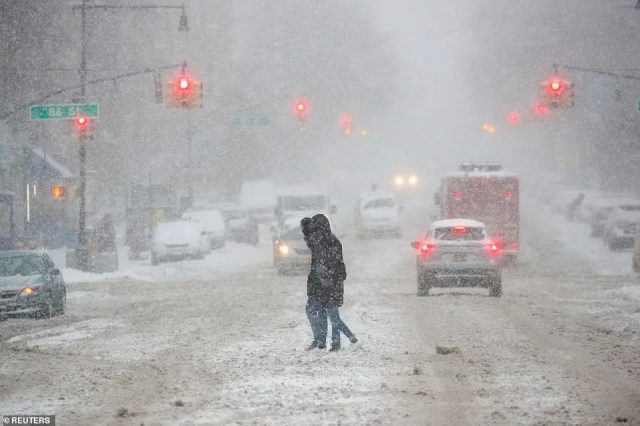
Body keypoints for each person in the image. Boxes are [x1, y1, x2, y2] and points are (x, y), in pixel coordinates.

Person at [307, 214, 357, 352]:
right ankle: (333, 343)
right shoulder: (321, 243)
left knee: (333, 316)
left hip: (332, 286)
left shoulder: (332, 243)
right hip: (324, 285)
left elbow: (336, 267)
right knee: (328, 314)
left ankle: (351, 338)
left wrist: (327, 280)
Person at [301, 217, 327, 350]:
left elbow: (322, 266)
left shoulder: (319, 243)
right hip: (317, 284)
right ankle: (320, 339)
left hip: (318, 285)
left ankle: (320, 339)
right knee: (318, 311)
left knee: (313, 310)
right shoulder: (319, 242)